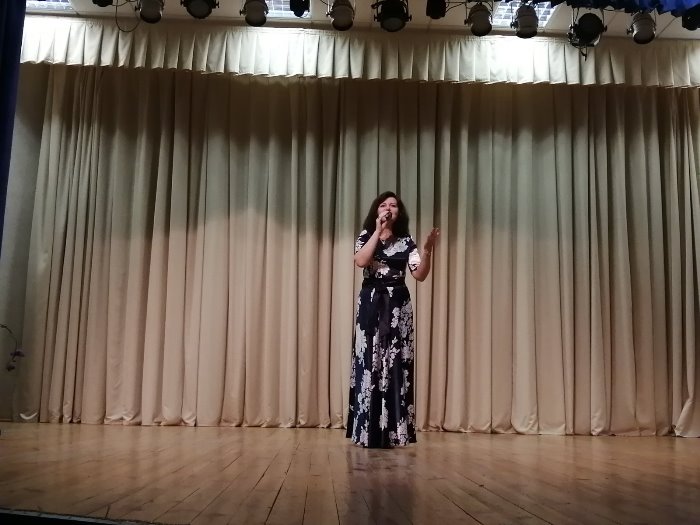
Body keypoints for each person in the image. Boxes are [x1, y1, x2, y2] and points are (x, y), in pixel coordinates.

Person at [346, 191, 439, 448]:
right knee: (369, 362)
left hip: (398, 307)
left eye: (394, 205)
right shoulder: (366, 235)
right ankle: (367, 430)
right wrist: (378, 231)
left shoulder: (407, 241)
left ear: (399, 212)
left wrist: (427, 250)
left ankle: (395, 431)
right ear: (376, 211)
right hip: (371, 305)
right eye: (383, 205)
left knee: (397, 363)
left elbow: (419, 275)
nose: (388, 208)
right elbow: (361, 261)